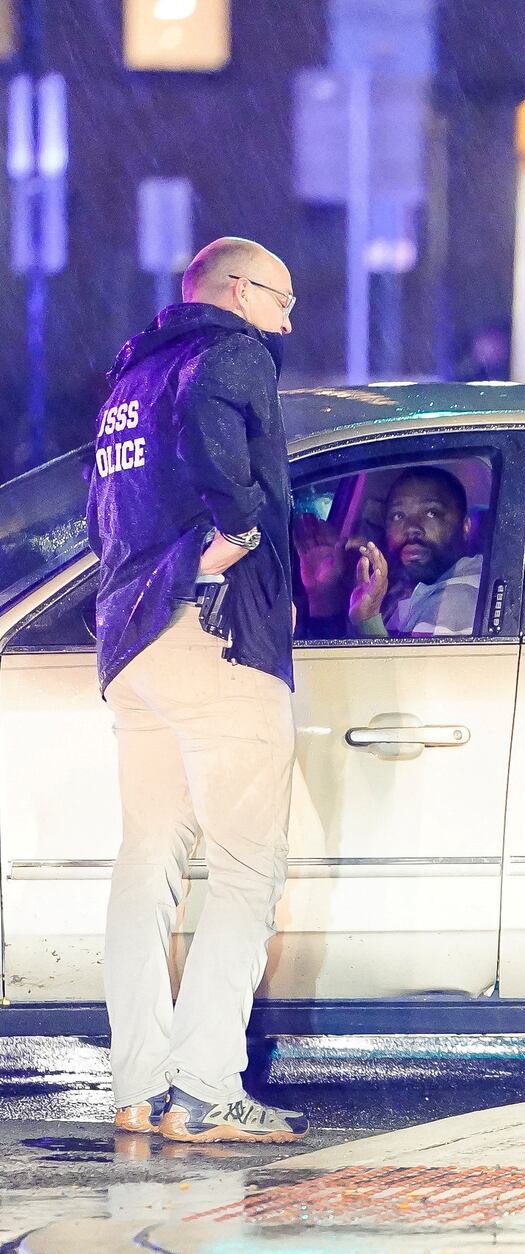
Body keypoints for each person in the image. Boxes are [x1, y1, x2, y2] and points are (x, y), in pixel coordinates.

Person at [86, 237, 308, 1144]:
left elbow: (97, 513)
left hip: (131, 643)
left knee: (148, 862)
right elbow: (220, 452)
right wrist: (239, 535)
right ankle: (210, 1088)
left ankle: (138, 1086)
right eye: (283, 301)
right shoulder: (232, 353)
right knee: (250, 870)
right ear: (240, 291)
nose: (288, 323)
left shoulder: (126, 382)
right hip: (212, 636)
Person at [295, 466, 482, 637]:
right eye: (398, 515)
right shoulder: (410, 589)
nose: (411, 527)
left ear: (465, 526)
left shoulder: (459, 596)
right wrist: (324, 592)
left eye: (431, 513)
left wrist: (368, 622)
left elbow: (411, 674)